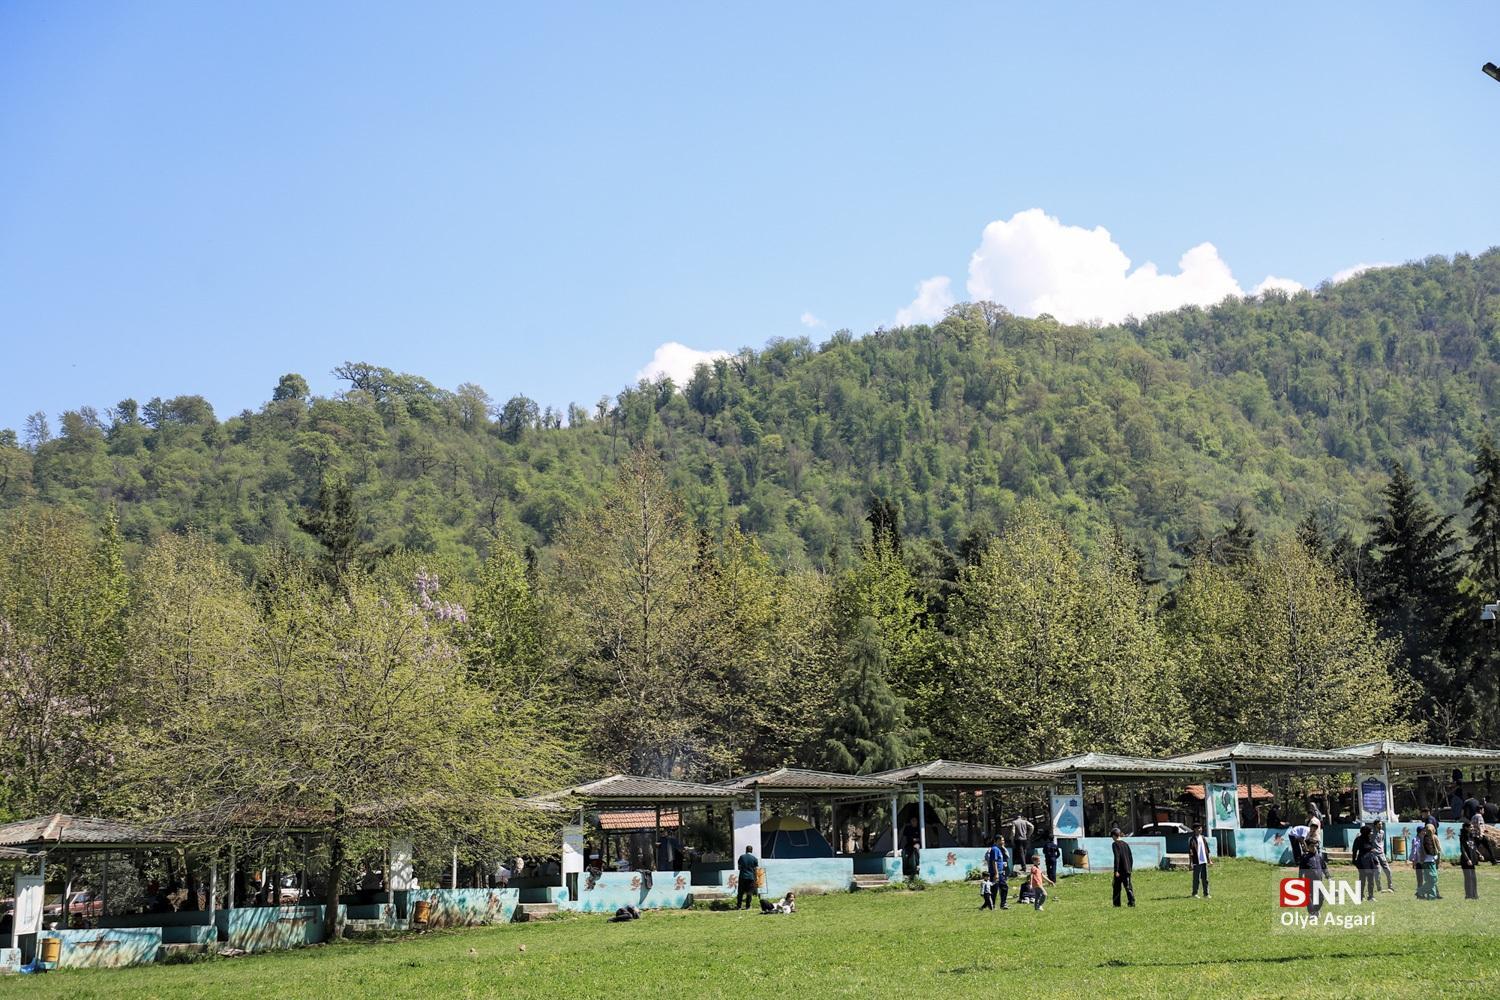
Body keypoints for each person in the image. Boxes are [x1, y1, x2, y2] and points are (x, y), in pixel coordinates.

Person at [1300, 834, 1329, 917]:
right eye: (1312, 846)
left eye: (1315, 846)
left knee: (1321, 897)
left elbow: (1324, 867)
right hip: (1309, 881)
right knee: (1309, 898)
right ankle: (1311, 913)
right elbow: (1301, 870)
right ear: (1308, 847)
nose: (1314, 848)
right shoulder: (1305, 858)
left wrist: (1328, 876)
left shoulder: (1319, 857)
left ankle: (1316, 910)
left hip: (1319, 881)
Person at [1352, 824, 1379, 902]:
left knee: (1371, 879)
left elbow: (1371, 848)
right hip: (1362, 860)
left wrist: (1373, 852)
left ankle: (1371, 896)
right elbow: (1354, 850)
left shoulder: (1370, 839)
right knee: (1362, 879)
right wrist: (1354, 860)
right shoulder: (1358, 839)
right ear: (1366, 832)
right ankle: (1360, 896)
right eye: (1370, 831)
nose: (1372, 833)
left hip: (1370, 860)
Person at [983, 836, 1010, 910]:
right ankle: (993, 905)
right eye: (1002, 840)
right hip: (995, 873)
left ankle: (1001, 904)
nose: (1003, 842)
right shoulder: (994, 849)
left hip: (1000, 872)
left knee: (1003, 888)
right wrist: (996, 873)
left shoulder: (999, 849)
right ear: (997, 841)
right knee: (995, 889)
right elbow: (994, 862)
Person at [1111, 828, 1135, 908]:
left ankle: (1116, 904)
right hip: (1127, 869)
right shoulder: (1126, 844)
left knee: (1116, 887)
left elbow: (1117, 857)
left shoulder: (1115, 844)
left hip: (1120, 870)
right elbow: (1130, 857)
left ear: (1114, 836)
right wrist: (1130, 868)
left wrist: (1116, 870)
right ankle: (1132, 902)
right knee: (1128, 887)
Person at [1188, 822, 1212, 899]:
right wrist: (1190, 863)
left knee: (1205, 878)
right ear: (1194, 829)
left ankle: (1206, 894)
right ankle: (1194, 893)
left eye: (1201, 828)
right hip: (1196, 861)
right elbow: (1190, 852)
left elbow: (1207, 849)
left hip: (1204, 861)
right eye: (1198, 828)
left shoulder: (1203, 838)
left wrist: (1209, 860)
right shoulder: (1192, 839)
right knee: (1196, 878)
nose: (1200, 829)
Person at [1418, 823, 1442, 900]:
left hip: (1427, 861)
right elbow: (1439, 850)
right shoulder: (1432, 837)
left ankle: (1432, 895)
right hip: (1429, 861)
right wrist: (1438, 861)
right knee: (1433, 879)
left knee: (1430, 879)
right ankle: (1421, 891)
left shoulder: (1423, 838)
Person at [1460, 817, 1481, 900]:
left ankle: (1475, 895)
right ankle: (1468, 895)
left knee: (1473, 878)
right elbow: (1462, 849)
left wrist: (1479, 854)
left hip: (1472, 860)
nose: (1472, 828)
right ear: (1466, 828)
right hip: (1465, 861)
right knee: (1468, 878)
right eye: (1471, 827)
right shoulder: (1462, 837)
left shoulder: (1471, 836)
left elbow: (1474, 847)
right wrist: (1467, 859)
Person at [1372, 819, 1395, 891]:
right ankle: (1379, 888)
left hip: (1382, 854)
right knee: (1378, 871)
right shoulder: (1371, 833)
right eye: (1379, 824)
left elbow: (1382, 841)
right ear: (1375, 825)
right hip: (1374, 855)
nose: (1381, 825)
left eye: (1381, 824)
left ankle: (1390, 887)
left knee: (1388, 870)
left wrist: (1382, 850)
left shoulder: (1382, 832)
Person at [736, 844, 759, 911]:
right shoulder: (754, 859)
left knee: (740, 892)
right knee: (749, 892)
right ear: (752, 851)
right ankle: (747, 906)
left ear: (746, 850)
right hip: (751, 877)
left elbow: (739, 867)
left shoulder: (742, 857)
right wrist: (756, 878)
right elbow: (755, 869)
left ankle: (739, 906)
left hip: (742, 876)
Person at [901, 816, 922, 880]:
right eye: (912, 821)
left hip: (917, 844)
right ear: (910, 821)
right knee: (904, 852)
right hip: (909, 845)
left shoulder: (920, 828)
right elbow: (905, 838)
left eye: (915, 821)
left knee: (916, 847)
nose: (914, 822)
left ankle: (917, 864)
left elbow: (920, 838)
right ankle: (906, 870)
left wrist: (915, 840)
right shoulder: (908, 828)